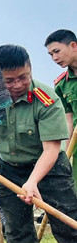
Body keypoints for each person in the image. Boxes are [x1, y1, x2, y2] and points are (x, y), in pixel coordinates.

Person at [0, 44, 77, 243]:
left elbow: (51, 149)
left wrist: (32, 182)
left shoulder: (46, 99)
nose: (18, 85)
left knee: (69, 227)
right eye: (9, 81)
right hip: (7, 169)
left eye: (23, 77)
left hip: (50, 169)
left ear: (30, 69)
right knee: (17, 231)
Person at [47, 29, 77, 185]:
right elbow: (68, 121)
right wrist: (65, 154)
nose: (54, 58)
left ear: (73, 46)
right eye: (51, 54)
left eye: (57, 51)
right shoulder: (61, 85)